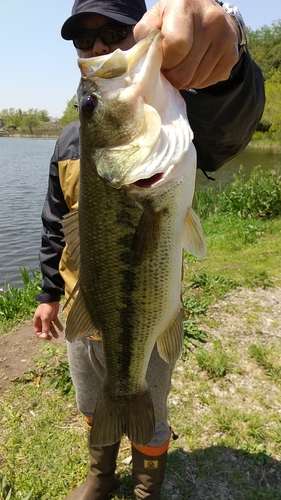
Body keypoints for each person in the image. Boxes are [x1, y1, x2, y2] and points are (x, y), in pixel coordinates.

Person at [33, 0, 265, 498]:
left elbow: (229, 119)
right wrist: (49, 293)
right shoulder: (70, 142)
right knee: (92, 398)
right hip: (83, 307)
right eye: (84, 38)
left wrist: (229, 57)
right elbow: (56, 224)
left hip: (150, 313)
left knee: (150, 402)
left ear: (138, 32)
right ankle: (100, 473)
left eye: (113, 30)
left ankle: (146, 482)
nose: (97, 46)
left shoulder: (174, 116)